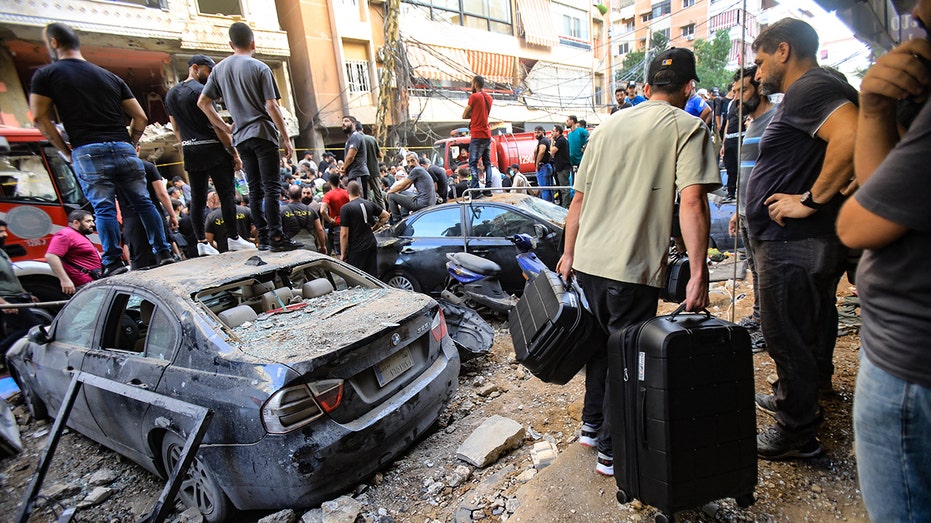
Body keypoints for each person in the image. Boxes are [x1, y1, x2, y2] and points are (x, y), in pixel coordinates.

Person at [556, 47, 719, 477]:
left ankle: (591, 428)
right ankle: (611, 452)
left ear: (646, 88)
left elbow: (578, 200)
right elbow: (693, 201)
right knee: (626, 358)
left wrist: (569, 254)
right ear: (689, 87)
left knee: (599, 348)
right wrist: (698, 274)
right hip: (631, 267)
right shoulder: (689, 127)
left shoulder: (606, 127)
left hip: (589, 260)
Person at [746, 18, 858, 460]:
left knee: (785, 333)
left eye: (759, 62)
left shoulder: (809, 87)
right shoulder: (821, 87)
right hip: (802, 240)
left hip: (793, 240)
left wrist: (810, 200)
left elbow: (850, 136)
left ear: (784, 51)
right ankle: (807, 393)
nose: (756, 74)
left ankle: (797, 433)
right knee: (810, 323)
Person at [835, 7, 931, 519]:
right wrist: (875, 110)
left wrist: (808, 199)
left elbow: (856, 224)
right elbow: (880, 191)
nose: (913, 12)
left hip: (910, 366)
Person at [29, 22, 175, 276]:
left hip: (87, 147)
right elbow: (140, 117)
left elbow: (40, 118)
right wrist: (129, 143)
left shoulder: (47, 75)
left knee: (104, 208)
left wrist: (65, 150)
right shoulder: (110, 76)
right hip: (122, 145)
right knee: (143, 203)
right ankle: (163, 251)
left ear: (54, 43)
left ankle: (113, 261)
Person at [198, 22, 300, 252]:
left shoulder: (219, 70)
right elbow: (272, 106)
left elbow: (203, 103)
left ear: (231, 44)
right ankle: (276, 236)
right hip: (263, 132)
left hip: (241, 137)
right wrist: (285, 137)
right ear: (253, 43)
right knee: (271, 187)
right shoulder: (260, 68)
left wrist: (225, 127)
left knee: (255, 189)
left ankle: (263, 237)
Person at [165, 54, 253, 257]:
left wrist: (187, 144)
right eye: (209, 70)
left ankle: (202, 242)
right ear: (195, 68)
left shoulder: (171, 94)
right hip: (212, 147)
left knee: (197, 198)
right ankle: (233, 238)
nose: (211, 75)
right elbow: (216, 125)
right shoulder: (201, 91)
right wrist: (233, 152)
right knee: (227, 194)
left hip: (190, 149)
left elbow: (176, 128)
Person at [726, 66, 776, 353]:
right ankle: (759, 320)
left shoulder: (775, 119)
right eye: (734, 92)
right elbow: (747, 172)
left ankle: (769, 332)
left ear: (758, 88)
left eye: (742, 91)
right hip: (746, 211)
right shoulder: (750, 124)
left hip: (765, 214)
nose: (736, 98)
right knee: (756, 272)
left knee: (768, 276)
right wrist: (738, 209)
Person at [122, 160, 181, 269]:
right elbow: (161, 193)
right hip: (154, 215)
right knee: (166, 259)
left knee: (140, 261)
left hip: (131, 220)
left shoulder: (111, 169)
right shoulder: (147, 166)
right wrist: (172, 215)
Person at [0, 220, 42, 356]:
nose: (5, 234)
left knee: (16, 329)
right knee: (32, 326)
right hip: (7, 300)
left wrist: (25, 293)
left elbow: (11, 276)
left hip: (16, 297)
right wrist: (4, 304)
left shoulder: (2, 252)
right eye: (0, 232)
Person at [45, 210, 102, 294]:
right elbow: (51, 256)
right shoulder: (66, 235)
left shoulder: (77, 234)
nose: (93, 224)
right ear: (76, 222)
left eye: (92, 221)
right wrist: (65, 280)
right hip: (84, 283)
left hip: (92, 281)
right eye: (88, 221)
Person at [340, 180, 389, 274]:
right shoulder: (369, 203)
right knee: (372, 274)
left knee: (357, 275)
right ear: (359, 191)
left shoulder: (346, 208)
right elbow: (386, 215)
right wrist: (375, 227)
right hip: (371, 243)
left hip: (357, 247)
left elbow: (344, 234)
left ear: (347, 191)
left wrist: (342, 254)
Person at [387, 153, 437, 223]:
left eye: (412, 161)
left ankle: (396, 222)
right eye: (408, 162)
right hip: (429, 202)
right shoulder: (420, 169)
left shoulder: (416, 170)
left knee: (391, 196)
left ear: (418, 161)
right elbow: (407, 186)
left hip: (422, 203)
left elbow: (402, 185)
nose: (410, 164)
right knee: (402, 193)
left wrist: (389, 192)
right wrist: (398, 192)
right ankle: (404, 216)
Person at [463, 75, 493, 189]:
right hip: (487, 134)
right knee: (487, 163)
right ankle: (488, 188)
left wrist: (473, 115)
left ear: (475, 84)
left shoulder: (474, 97)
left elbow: (464, 115)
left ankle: (476, 188)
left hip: (477, 134)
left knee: (473, 163)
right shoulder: (489, 98)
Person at [281, 185, 327, 253]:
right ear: (301, 195)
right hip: (310, 248)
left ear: (288, 195)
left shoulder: (282, 210)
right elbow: (320, 230)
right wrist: (323, 246)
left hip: (291, 248)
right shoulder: (311, 210)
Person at [340, 116, 370, 200]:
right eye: (342, 121)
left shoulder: (355, 136)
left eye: (346, 121)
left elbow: (350, 157)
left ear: (354, 124)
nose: (343, 123)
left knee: (360, 200)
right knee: (356, 199)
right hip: (354, 173)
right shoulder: (351, 138)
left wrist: (344, 168)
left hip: (358, 173)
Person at [320, 172, 350, 255]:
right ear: (339, 182)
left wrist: (330, 220)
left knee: (340, 253)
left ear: (329, 183)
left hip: (337, 226)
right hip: (349, 225)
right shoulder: (346, 192)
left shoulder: (328, 195)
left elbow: (322, 210)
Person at [550, 124, 572, 208]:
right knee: (560, 187)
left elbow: (552, 151)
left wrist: (552, 141)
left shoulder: (561, 140)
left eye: (553, 131)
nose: (551, 133)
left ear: (558, 132)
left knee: (564, 188)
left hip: (563, 168)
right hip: (559, 167)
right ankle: (563, 204)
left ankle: (565, 206)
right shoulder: (559, 140)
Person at [533, 126, 553, 202]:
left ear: (543, 132)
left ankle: (547, 206)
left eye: (538, 132)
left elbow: (542, 151)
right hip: (547, 166)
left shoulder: (543, 141)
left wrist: (537, 163)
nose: (536, 134)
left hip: (543, 166)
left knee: (544, 189)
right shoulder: (546, 140)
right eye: (535, 132)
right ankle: (551, 204)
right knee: (549, 188)